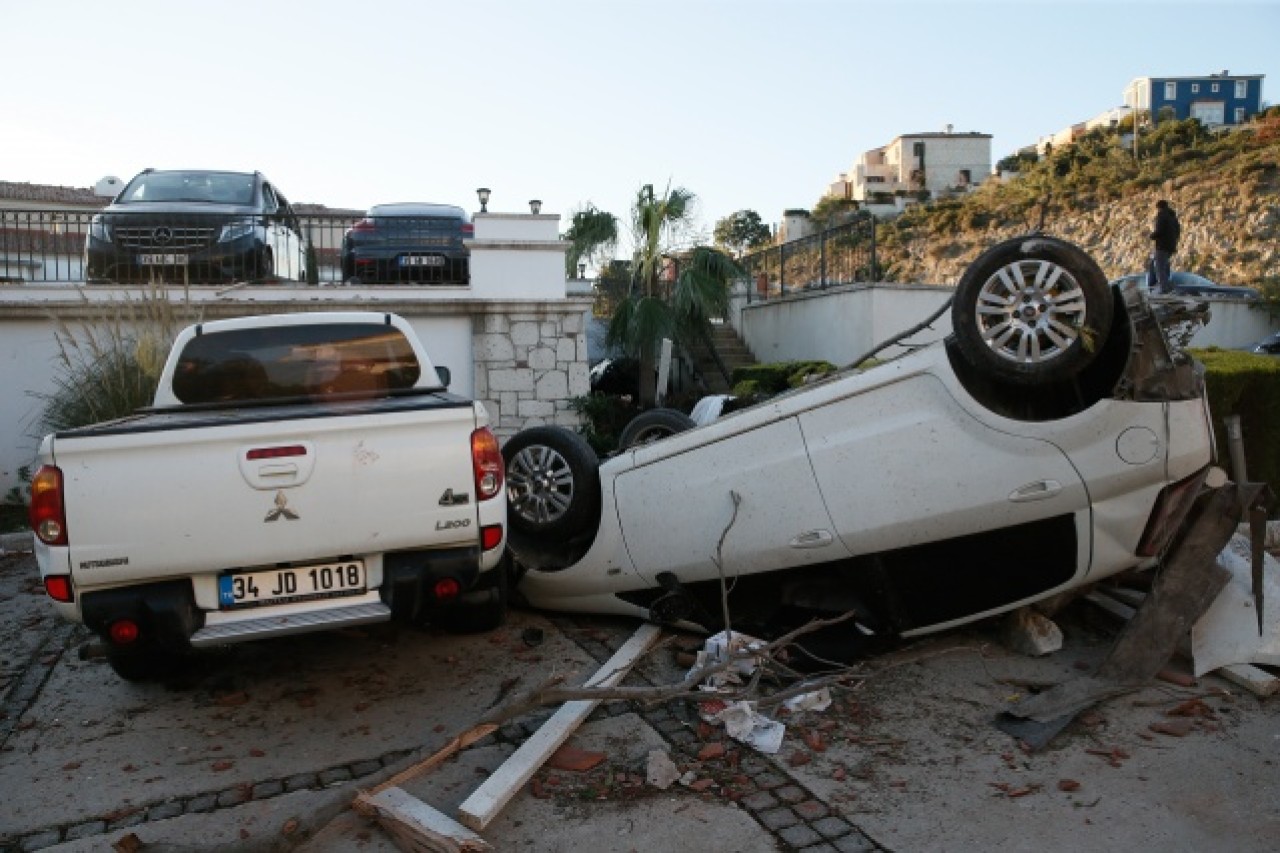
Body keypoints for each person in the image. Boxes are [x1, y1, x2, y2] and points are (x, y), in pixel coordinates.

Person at [1146, 199, 1181, 294]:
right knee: (1165, 266)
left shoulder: (1162, 216)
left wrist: (1152, 236)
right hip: (1171, 246)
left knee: (1159, 267)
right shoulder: (1173, 217)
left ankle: (1164, 288)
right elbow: (1178, 231)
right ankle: (1167, 285)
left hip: (1162, 246)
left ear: (1159, 208)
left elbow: (1159, 231)